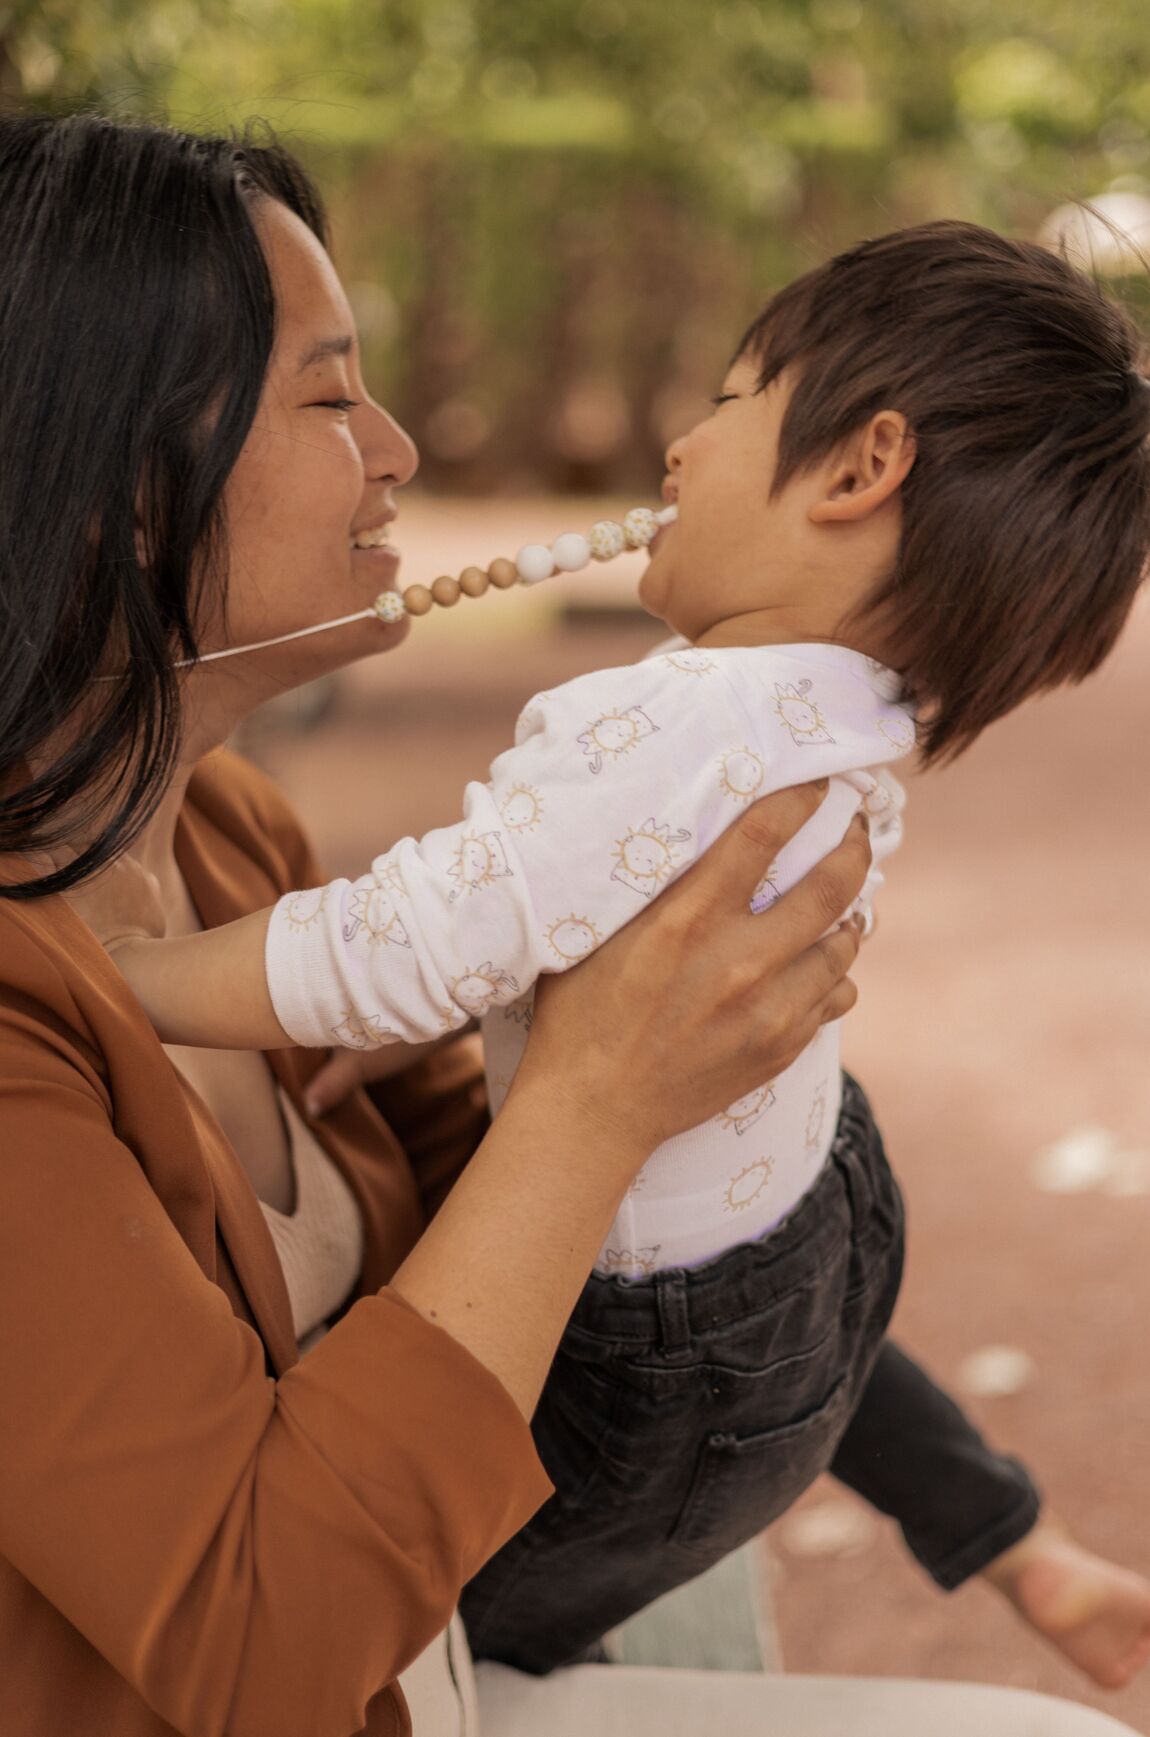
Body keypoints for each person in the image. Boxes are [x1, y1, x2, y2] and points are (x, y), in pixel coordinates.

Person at [0, 114, 1140, 1737]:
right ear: (105, 474)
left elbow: (556, 1192)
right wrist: (599, 1092)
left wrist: (632, 1077)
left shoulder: (229, 837)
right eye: (331, 396)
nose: (395, 451)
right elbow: (258, 1646)